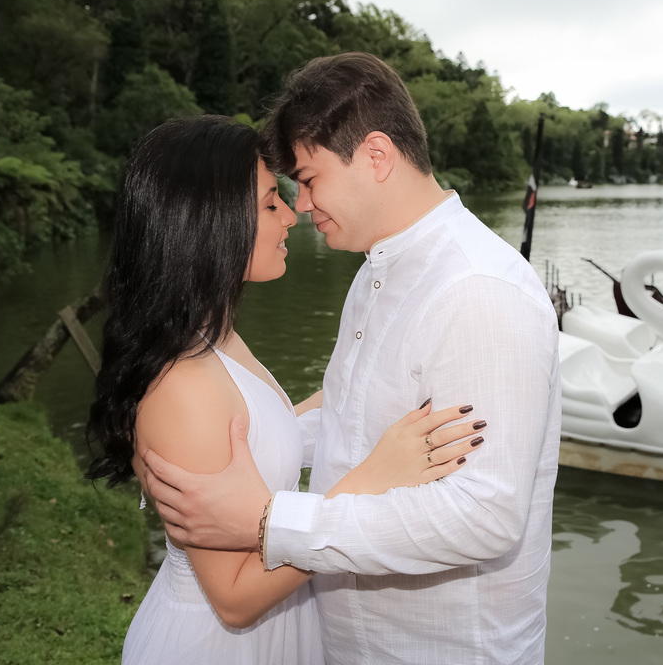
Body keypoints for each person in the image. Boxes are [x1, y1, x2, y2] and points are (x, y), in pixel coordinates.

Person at [142, 53, 563, 664]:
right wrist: (233, 445)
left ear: (376, 156)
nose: (301, 205)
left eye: (310, 179)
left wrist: (271, 521)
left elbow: (484, 515)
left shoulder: (477, 292)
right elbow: (351, 420)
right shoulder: (376, 272)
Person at [85, 115, 485, 665]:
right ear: (213, 223)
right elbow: (233, 598)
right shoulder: (181, 384)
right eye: (271, 202)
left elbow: (270, 428)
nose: (292, 215)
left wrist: (418, 371)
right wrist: (374, 477)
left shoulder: (211, 335)